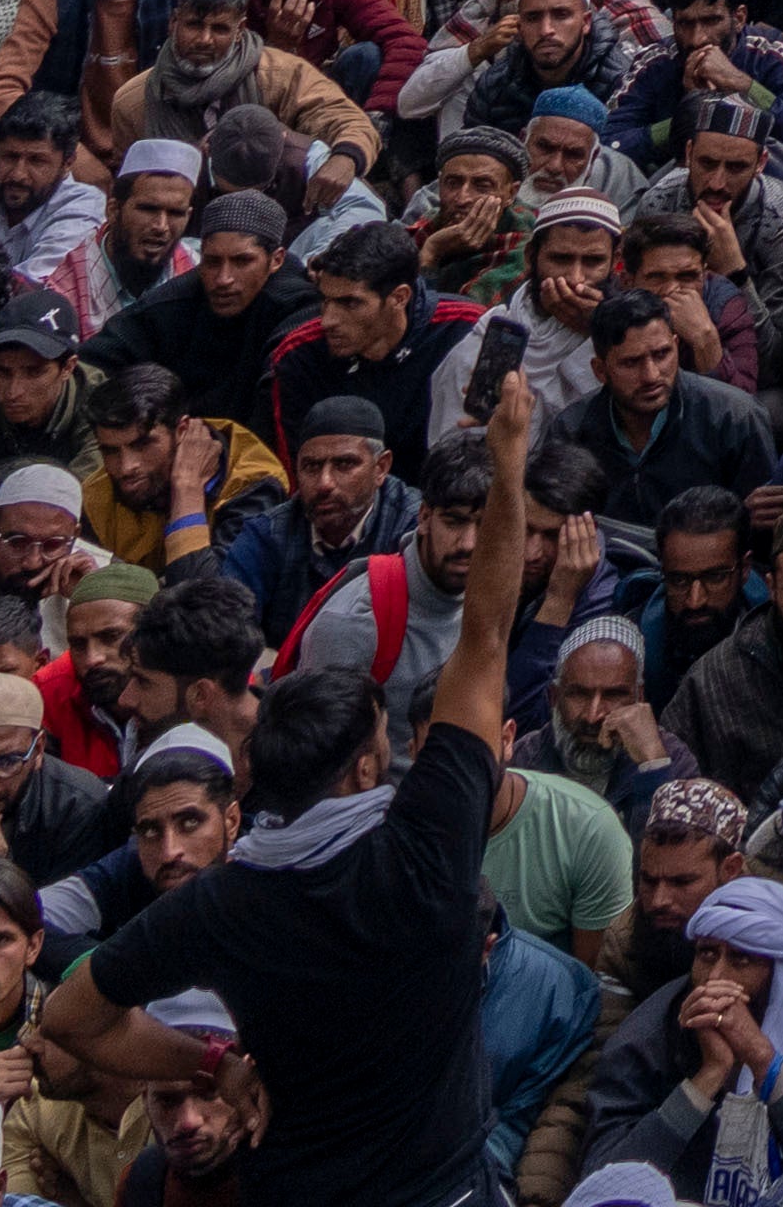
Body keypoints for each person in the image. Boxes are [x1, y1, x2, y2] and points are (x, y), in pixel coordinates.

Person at [32, 319, 523, 1207]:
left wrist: (216, 1063)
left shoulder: (228, 900)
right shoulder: (427, 843)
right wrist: (511, 460)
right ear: (367, 770)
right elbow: (485, 634)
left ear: (253, 776)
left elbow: (71, 1019)